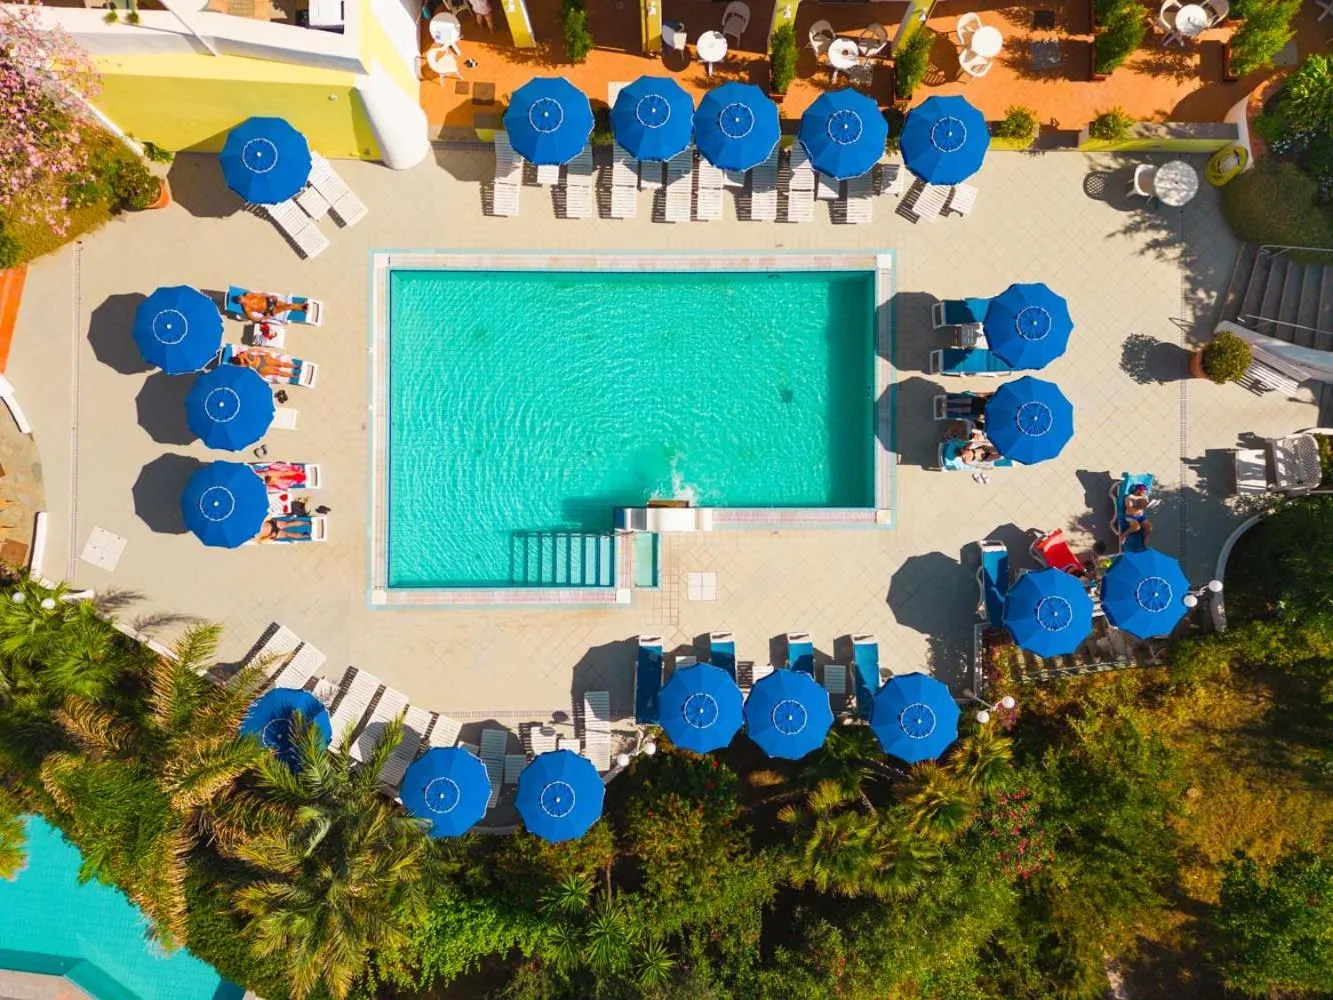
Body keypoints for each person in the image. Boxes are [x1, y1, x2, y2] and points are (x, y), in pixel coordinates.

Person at [230, 347, 300, 382]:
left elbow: (253, 349)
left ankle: (296, 366)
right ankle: (293, 375)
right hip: (260, 367)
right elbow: (249, 366)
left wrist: (263, 351)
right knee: (277, 372)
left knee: (280, 364)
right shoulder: (241, 364)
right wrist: (246, 361)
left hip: (263, 359)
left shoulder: (243, 353)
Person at [233, 291, 301, 323]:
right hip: (269, 310)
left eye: (241, 297)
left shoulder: (248, 294)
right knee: (285, 307)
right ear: (240, 303)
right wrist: (264, 317)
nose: (242, 298)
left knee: (286, 306)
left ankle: (301, 307)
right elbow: (254, 318)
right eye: (241, 300)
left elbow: (260, 294)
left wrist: (269, 296)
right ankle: (301, 307)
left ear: (241, 296)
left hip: (270, 301)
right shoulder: (246, 308)